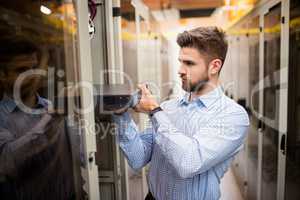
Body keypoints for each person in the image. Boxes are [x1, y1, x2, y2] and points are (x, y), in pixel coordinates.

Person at [113, 27, 250, 200]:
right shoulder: (168, 108)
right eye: (180, 61)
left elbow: (189, 162)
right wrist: (121, 114)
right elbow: (138, 158)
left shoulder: (233, 116)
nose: (180, 70)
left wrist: (154, 111)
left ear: (214, 66)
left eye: (189, 63)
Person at [0, 38, 83, 200]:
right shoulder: (2, 116)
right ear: (2, 75)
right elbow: (6, 163)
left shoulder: (52, 109)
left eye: (34, 68)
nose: (32, 76)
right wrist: (53, 117)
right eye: (22, 70)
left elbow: (81, 156)